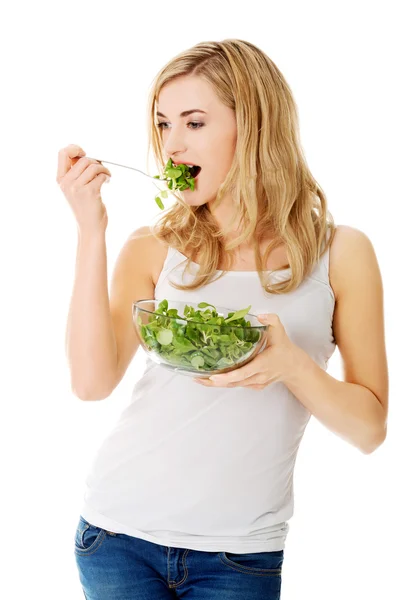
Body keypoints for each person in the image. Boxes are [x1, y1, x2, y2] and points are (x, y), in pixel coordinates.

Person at [57, 39, 388, 600]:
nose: (172, 146)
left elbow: (370, 430)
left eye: (194, 122)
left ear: (254, 126)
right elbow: (91, 384)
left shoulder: (341, 253)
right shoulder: (153, 247)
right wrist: (92, 230)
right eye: (163, 125)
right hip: (118, 534)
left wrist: (292, 366)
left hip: (240, 554)